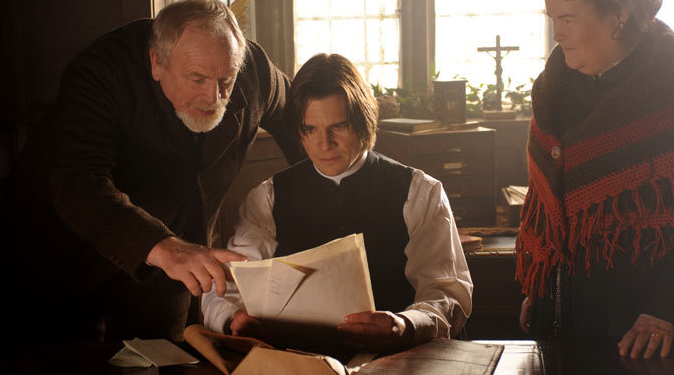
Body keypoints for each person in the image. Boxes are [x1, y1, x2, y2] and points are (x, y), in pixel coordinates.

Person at [3, 0, 301, 341]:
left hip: (173, 272)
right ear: (156, 63)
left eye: (226, 81)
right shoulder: (102, 71)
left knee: (164, 374)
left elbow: (302, 120)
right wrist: (164, 247)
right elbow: (77, 180)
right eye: (197, 79)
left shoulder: (256, 73)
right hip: (64, 258)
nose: (214, 98)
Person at [516, 0, 674, 359]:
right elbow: (554, 209)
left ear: (619, 13)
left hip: (646, 342)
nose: (557, 34)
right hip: (562, 326)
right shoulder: (553, 92)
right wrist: (545, 289)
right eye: (553, 19)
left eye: (568, 19)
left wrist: (666, 311)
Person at [201, 53, 473, 350]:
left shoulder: (420, 191)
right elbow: (228, 284)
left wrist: (406, 325)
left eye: (338, 127)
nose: (323, 144)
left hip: (398, 360)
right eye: (309, 130)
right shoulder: (267, 197)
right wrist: (232, 318)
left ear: (363, 121)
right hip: (301, 363)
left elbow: (447, 292)